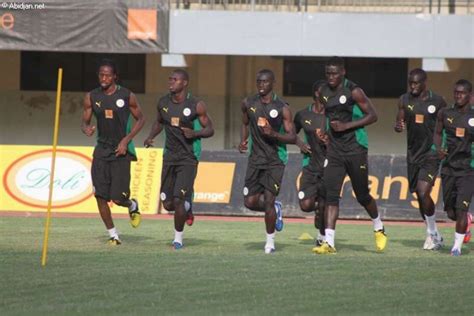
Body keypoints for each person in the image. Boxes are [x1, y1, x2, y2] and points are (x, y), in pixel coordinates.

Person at [312, 57, 387, 254]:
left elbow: (373, 116)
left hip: (355, 148)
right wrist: (323, 132)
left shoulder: (354, 91)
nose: (331, 77)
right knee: (331, 195)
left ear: (343, 72)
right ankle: (329, 242)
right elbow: (324, 115)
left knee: (362, 195)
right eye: (328, 73)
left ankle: (379, 226)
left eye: (334, 73)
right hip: (335, 151)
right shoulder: (323, 92)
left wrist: (346, 126)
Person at [144, 69, 214, 250]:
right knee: (167, 203)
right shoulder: (163, 102)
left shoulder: (196, 104)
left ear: (184, 83)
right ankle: (188, 204)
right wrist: (151, 136)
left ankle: (178, 239)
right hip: (169, 156)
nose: (171, 82)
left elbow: (210, 129)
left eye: (175, 80)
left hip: (188, 157)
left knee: (178, 199)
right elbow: (159, 122)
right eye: (170, 79)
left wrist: (195, 133)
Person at [81, 59, 145, 245]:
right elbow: (84, 121)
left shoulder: (126, 95)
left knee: (118, 198)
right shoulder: (91, 96)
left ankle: (132, 205)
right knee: (100, 196)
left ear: (115, 76)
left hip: (120, 152)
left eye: (108, 75)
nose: (104, 78)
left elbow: (141, 119)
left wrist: (126, 140)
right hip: (101, 151)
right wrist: (86, 128)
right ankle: (113, 235)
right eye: (101, 74)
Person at [239, 69, 296, 254]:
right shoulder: (249, 103)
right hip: (255, 159)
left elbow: (292, 136)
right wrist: (243, 140)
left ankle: (270, 243)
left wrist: (273, 134)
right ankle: (276, 210)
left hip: (275, 160)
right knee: (249, 201)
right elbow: (245, 123)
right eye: (259, 82)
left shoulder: (282, 107)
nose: (261, 85)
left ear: (273, 83)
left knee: (269, 200)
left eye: (265, 82)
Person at [394, 68, 447, 250]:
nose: (413, 86)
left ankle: (431, 234)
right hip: (413, 154)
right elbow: (399, 122)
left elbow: (447, 125)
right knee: (419, 195)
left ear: (425, 82)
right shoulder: (404, 99)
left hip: (431, 153)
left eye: (416, 83)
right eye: (411, 83)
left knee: (423, 191)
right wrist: (398, 126)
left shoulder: (438, 101)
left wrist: (442, 148)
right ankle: (435, 234)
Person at [433, 79, 474, 256]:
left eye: (462, 93)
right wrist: (439, 149)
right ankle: (467, 220)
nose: (458, 95)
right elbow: (436, 133)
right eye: (456, 92)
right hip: (448, 167)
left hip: (468, 169)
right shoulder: (445, 113)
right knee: (450, 212)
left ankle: (456, 247)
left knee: (461, 208)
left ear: (470, 96)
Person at [293, 80, 328, 246]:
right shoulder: (303, 115)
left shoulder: (334, 114)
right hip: (310, 166)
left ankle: (322, 238)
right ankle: (318, 210)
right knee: (305, 205)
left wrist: (328, 142)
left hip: (330, 167)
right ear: (316, 93)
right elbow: (290, 132)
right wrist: (300, 144)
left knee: (324, 204)